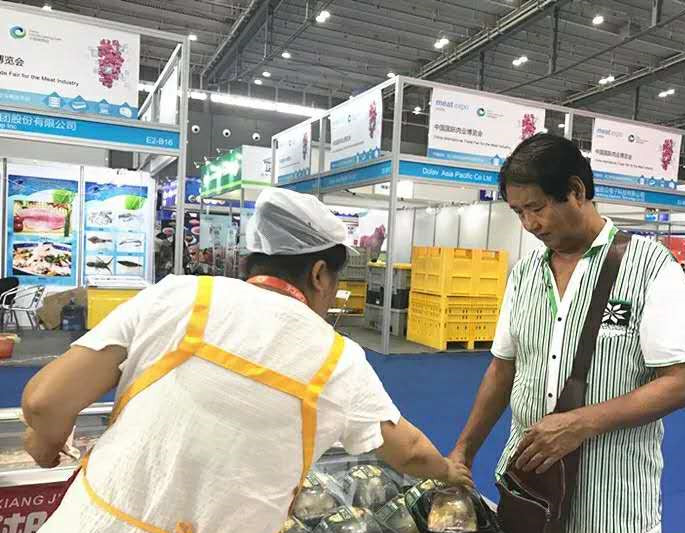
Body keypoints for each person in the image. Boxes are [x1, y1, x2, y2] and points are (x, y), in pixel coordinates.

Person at [22, 188, 472, 533]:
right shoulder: (338, 358)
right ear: (319, 274)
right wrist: (448, 470)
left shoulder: (179, 295)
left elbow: (44, 401)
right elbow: (409, 451)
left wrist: (46, 441)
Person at [448, 134, 685, 533]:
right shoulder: (525, 273)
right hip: (530, 492)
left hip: (611, 501)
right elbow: (503, 369)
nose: (529, 224)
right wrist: (464, 450)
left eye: (536, 208)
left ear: (576, 191)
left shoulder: (650, 266)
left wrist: (580, 423)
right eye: (518, 212)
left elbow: (680, 385)